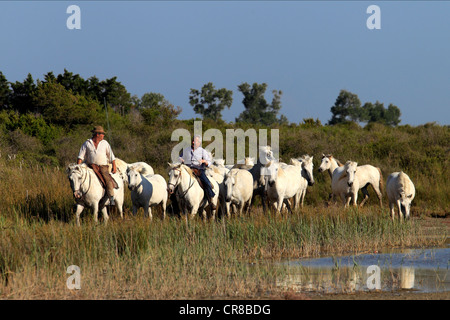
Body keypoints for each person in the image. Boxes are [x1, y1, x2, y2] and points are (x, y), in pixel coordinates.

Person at [77, 126, 117, 205]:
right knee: (79, 178)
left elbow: (111, 156)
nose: (103, 135)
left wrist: (114, 166)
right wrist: (78, 168)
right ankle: (79, 196)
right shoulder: (87, 143)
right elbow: (80, 156)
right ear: (97, 134)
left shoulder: (105, 143)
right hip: (90, 166)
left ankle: (111, 197)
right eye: (102, 134)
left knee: (108, 180)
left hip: (102, 166)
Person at [179, 135, 216, 210]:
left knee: (207, 183)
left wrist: (204, 161)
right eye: (192, 140)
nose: (193, 142)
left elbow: (209, 162)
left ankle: (211, 200)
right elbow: (180, 157)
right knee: (176, 181)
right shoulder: (186, 150)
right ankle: (173, 199)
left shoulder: (203, 151)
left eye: (195, 141)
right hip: (187, 169)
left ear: (199, 143)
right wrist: (181, 159)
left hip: (198, 170)